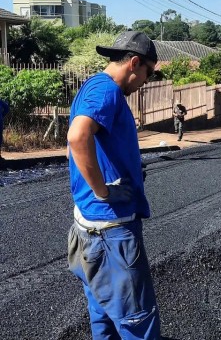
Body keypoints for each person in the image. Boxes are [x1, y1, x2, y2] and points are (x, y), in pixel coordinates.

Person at [66, 31, 162, 338]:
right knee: (138, 321)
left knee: (104, 316)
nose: (145, 81)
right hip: (111, 234)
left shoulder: (98, 88)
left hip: (93, 229)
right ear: (135, 63)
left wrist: (127, 169)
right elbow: (78, 136)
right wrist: (103, 190)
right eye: (147, 73)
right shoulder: (106, 90)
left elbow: (99, 142)